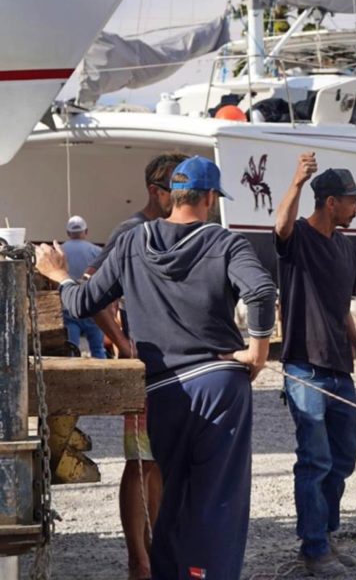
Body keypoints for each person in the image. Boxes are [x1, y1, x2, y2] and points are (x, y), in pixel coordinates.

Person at [36, 156, 276, 580]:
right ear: (208, 198)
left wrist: (59, 275)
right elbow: (259, 291)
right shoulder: (225, 242)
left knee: (172, 496)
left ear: (173, 195)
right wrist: (257, 352)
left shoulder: (132, 241)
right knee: (217, 499)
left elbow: (81, 303)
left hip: (162, 390)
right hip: (219, 385)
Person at [275, 152, 356, 577]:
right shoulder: (297, 238)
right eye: (352, 199)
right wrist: (296, 182)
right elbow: (278, 228)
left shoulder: (346, 247)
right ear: (331, 201)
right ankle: (314, 549)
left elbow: (342, 306)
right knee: (314, 460)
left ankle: (326, 536)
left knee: (343, 459)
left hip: (339, 367)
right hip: (305, 367)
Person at [86, 151, 186, 580]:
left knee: (160, 461)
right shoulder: (130, 231)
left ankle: (154, 547)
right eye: (174, 190)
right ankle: (138, 560)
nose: (181, 197)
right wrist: (123, 343)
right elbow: (93, 289)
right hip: (144, 369)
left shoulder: (179, 228)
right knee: (140, 462)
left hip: (176, 368)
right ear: (155, 190)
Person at [61, 215, 106, 358]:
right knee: (98, 350)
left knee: (71, 351)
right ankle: (104, 379)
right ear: (86, 231)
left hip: (68, 308)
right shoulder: (97, 252)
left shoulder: (59, 252)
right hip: (93, 308)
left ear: (68, 233)